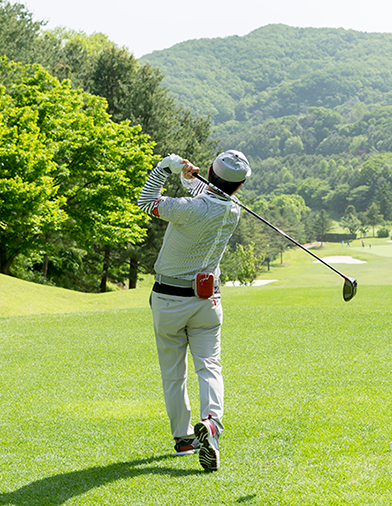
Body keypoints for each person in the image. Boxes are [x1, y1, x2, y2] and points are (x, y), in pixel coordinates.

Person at [137, 150, 251, 472]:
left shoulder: (186, 209)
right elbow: (210, 197)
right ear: (238, 186)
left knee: (174, 374)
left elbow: (147, 201)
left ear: (211, 173)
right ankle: (212, 423)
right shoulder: (234, 209)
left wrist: (164, 168)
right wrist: (189, 179)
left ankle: (185, 439)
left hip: (169, 301)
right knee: (210, 366)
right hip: (206, 303)